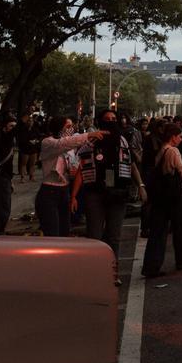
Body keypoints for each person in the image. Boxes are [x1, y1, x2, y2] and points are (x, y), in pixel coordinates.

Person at [71, 108, 147, 258]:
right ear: (100, 122)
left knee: (114, 236)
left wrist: (141, 186)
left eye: (114, 119)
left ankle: (113, 271)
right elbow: (82, 168)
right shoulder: (91, 142)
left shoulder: (122, 140)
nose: (112, 122)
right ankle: (95, 269)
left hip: (118, 192)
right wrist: (73, 196)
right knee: (95, 235)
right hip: (95, 192)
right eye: (108, 119)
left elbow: (130, 164)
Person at [141, 123, 182, 278]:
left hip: (162, 196)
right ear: (173, 136)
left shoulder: (162, 150)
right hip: (174, 195)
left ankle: (151, 266)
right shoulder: (173, 151)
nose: (181, 139)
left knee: (158, 232)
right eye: (179, 136)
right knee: (180, 227)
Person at [37, 116, 103, 237]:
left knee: (64, 230)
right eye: (67, 126)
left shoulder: (70, 148)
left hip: (64, 190)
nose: (71, 129)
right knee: (52, 232)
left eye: (72, 126)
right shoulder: (48, 142)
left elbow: (74, 161)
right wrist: (89, 135)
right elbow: (65, 143)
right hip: (49, 191)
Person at [16, 112, 40, 182]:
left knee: (32, 163)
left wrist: (36, 141)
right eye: (29, 121)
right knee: (24, 163)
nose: (30, 122)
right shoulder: (23, 129)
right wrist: (29, 141)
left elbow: (38, 137)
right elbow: (22, 139)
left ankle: (31, 176)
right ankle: (22, 177)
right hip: (25, 148)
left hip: (33, 148)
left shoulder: (35, 129)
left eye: (31, 121)